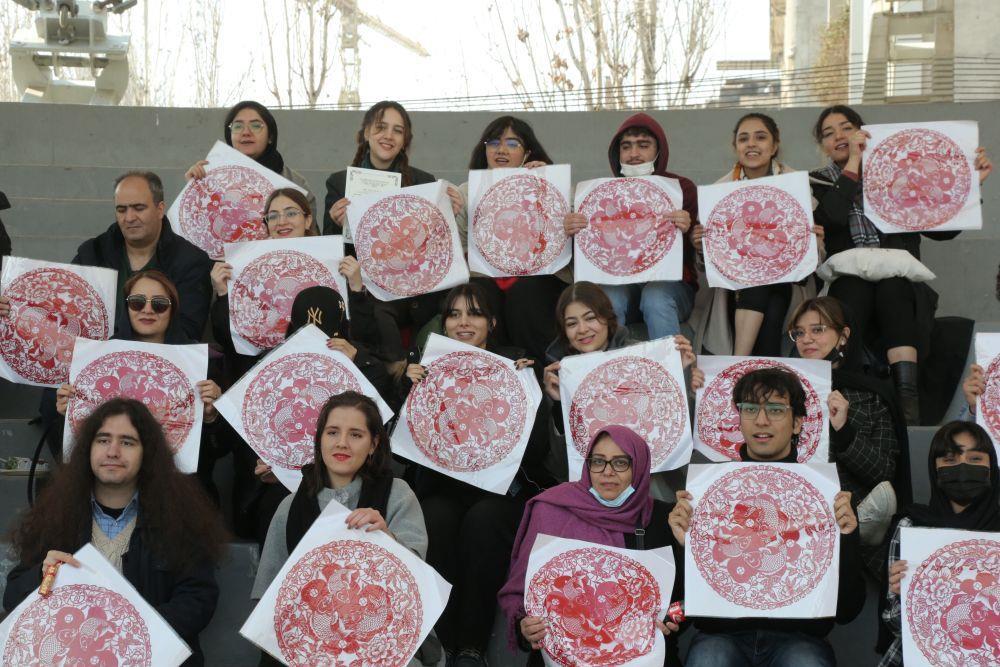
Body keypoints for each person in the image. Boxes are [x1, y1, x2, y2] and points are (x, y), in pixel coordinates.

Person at [4, 398, 228, 666]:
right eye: (103, 440)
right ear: (88, 449)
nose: (113, 451)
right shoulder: (55, 515)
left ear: (147, 453)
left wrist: (128, 633)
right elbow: (13, 595)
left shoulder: (180, 516)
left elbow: (198, 599)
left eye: (127, 442)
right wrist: (43, 575)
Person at [809, 104, 993, 424]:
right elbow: (831, 218)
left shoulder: (897, 172)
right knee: (852, 288)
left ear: (863, 132)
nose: (839, 136)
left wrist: (970, 186)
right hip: (849, 280)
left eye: (846, 128)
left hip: (899, 283)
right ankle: (848, 397)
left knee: (893, 287)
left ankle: (907, 404)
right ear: (822, 146)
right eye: (829, 133)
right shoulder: (815, 183)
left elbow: (942, 231)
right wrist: (853, 164)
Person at [668, 368, 865, 667]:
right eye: (750, 409)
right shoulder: (709, 492)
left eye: (775, 409)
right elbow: (684, 606)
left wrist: (847, 537)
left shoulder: (828, 496)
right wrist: (687, 546)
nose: (761, 420)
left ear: (797, 422)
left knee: (805, 662)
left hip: (800, 638)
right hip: (721, 636)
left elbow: (848, 611)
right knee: (710, 658)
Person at [399, 283, 550, 665]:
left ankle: (471, 647)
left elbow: (538, 451)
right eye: (454, 314)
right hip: (443, 488)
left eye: (475, 313)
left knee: (483, 521)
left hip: (499, 495)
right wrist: (408, 393)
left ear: (492, 322)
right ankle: (442, 645)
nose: (463, 322)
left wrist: (528, 399)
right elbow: (401, 448)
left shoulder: (517, 365)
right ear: (444, 323)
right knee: (434, 517)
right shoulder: (424, 367)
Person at [252, 391, 428, 665]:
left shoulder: (397, 494)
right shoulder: (290, 507)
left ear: (373, 444)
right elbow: (267, 596)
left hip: (383, 642)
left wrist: (388, 539)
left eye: (356, 435)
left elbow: (419, 585)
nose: (342, 443)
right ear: (320, 439)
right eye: (332, 432)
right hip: (306, 649)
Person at [498, 425, 684, 667]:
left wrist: (670, 620)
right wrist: (525, 627)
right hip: (563, 657)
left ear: (638, 467)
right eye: (598, 461)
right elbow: (520, 594)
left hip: (640, 657)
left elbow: (681, 602)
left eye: (620, 463)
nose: (607, 472)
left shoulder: (661, 518)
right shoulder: (552, 510)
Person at [48, 270, 226, 499]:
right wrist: (65, 415)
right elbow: (72, 448)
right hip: (108, 488)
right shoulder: (94, 360)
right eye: (137, 302)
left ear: (172, 310)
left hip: (176, 492)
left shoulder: (201, 365)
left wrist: (212, 417)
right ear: (127, 308)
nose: (147, 310)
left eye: (159, 304)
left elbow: (219, 450)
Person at [322, 100, 458, 361]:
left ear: (405, 140)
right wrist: (336, 224)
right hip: (363, 284)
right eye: (381, 127)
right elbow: (331, 249)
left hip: (409, 287)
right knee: (375, 306)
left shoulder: (423, 182)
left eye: (397, 130)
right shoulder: (340, 182)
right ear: (366, 133)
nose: (388, 135)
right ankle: (392, 367)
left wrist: (449, 214)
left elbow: (434, 245)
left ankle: (397, 368)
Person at [690, 112, 824, 357]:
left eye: (760, 137)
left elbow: (817, 261)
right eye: (744, 139)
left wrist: (814, 243)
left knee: (765, 287)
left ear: (774, 146)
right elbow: (707, 268)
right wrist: (701, 247)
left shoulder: (798, 188)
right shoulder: (718, 194)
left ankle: (740, 362)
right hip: (734, 291)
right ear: (735, 147)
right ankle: (762, 371)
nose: (751, 144)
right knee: (762, 291)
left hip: (790, 285)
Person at [541, 281, 701, 482]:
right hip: (598, 486)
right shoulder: (558, 376)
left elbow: (679, 438)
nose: (582, 329)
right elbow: (561, 467)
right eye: (572, 323)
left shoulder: (644, 358)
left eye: (590, 318)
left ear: (607, 318)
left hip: (651, 479)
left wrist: (680, 378)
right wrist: (559, 405)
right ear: (564, 331)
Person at [788, 296, 908, 555]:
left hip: (853, 522)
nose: (806, 339)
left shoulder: (873, 394)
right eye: (799, 332)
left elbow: (884, 474)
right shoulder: (781, 389)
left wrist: (844, 431)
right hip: (793, 514)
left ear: (843, 336)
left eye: (817, 329)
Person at [562, 113, 697, 340]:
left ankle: (672, 362)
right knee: (609, 295)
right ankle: (610, 360)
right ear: (618, 153)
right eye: (626, 147)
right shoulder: (600, 196)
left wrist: (688, 229)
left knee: (656, 296)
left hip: (671, 290)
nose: (634, 154)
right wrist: (572, 231)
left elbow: (701, 248)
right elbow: (591, 253)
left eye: (643, 145)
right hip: (622, 286)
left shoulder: (682, 189)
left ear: (659, 150)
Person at [878, 420, 999, 667]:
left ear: (992, 467)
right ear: (935, 469)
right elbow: (896, 626)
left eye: (975, 459)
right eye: (950, 460)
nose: (963, 467)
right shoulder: (911, 527)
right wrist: (904, 596)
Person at [453, 115, 569, 363]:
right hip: (484, 277)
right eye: (494, 142)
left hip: (537, 280)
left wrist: (546, 186)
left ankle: (540, 370)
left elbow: (565, 240)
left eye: (512, 143)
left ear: (527, 153)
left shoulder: (548, 183)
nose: (501, 150)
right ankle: (492, 371)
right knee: (480, 293)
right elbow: (458, 251)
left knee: (525, 292)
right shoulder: (465, 192)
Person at [73, 170, 213, 341]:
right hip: (95, 354)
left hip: (161, 356)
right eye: (121, 210)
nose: (129, 217)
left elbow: (188, 333)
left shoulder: (191, 262)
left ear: (160, 209)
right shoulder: (91, 254)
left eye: (139, 208)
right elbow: (68, 313)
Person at [184, 100, 317, 230]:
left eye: (256, 126)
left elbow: (311, 236)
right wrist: (193, 190)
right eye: (238, 126)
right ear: (230, 136)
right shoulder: (210, 177)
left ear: (270, 136)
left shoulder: (295, 182)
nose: (246, 132)